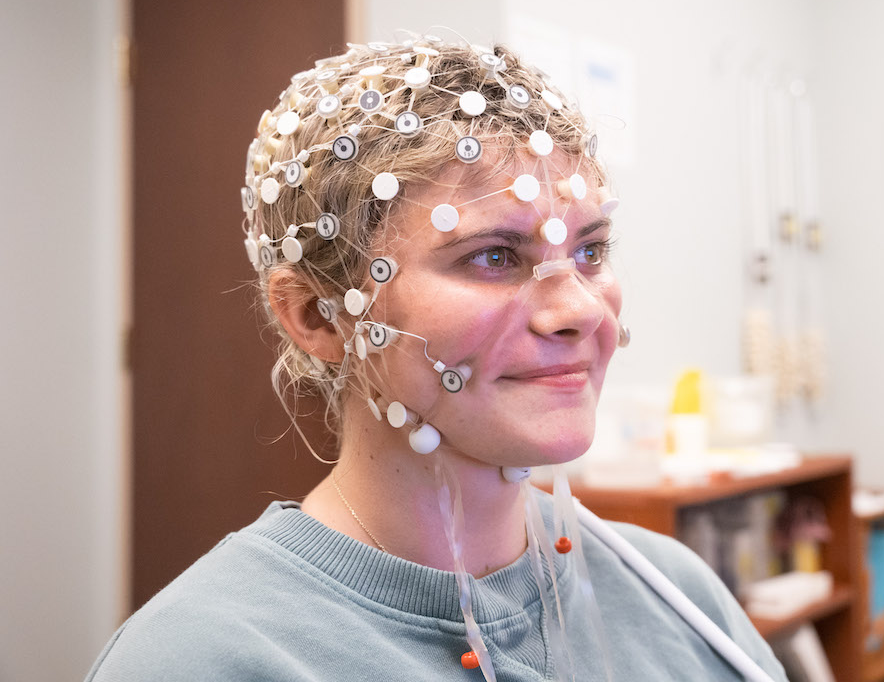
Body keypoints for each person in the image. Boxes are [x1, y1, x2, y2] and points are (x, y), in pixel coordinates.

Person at [86, 33, 787, 681]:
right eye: (493, 256)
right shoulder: (199, 660)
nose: (579, 310)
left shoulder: (675, 595)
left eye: (590, 252)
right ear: (314, 315)